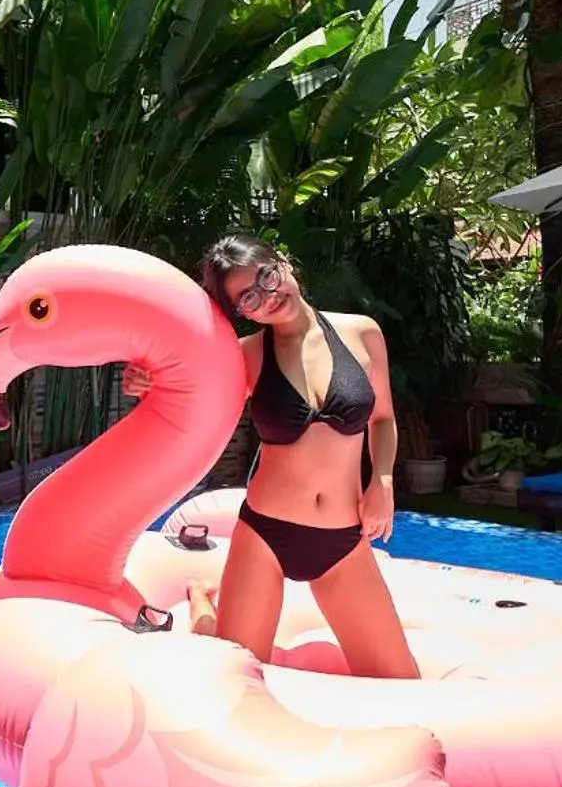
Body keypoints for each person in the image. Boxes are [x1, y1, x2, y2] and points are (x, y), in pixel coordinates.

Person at [126, 233, 420, 679]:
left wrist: (382, 481)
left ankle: (209, 598)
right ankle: (202, 600)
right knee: (232, 674)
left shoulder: (362, 332)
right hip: (266, 534)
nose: (267, 297)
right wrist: (146, 381)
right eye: (248, 298)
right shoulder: (244, 357)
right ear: (241, 312)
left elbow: (382, 419)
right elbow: (183, 393)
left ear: (283, 263)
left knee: (402, 684)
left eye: (267, 277)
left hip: (342, 539)